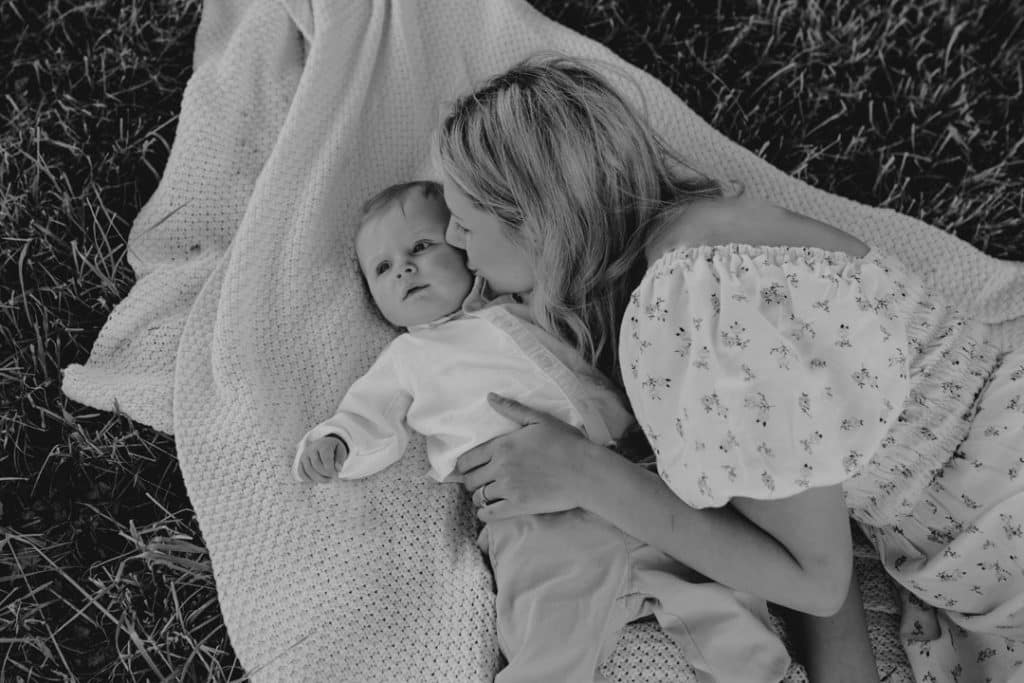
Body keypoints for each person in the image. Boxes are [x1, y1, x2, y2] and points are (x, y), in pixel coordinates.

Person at [436, 54, 1024, 683]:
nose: (450, 238)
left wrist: (583, 474)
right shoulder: (705, 242)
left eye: (466, 222)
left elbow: (816, 581)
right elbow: (808, 527)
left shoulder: (696, 302)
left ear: (542, 225)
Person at [293, 180, 791, 683]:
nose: (404, 267)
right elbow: (369, 414)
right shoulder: (407, 358)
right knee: (548, 639)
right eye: (383, 268)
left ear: (465, 247)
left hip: (634, 483)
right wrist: (339, 442)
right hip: (536, 524)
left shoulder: (524, 301)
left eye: (422, 246)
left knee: (730, 605)